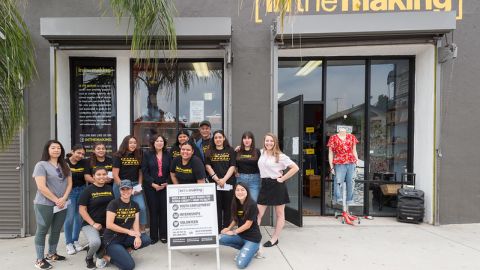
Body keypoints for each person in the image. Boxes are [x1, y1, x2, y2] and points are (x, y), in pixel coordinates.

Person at [32, 140, 72, 269]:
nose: (56, 150)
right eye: (53, 148)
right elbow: (41, 187)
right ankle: (39, 259)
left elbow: (70, 183)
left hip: (62, 203)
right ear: (47, 150)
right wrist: (56, 200)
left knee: (56, 230)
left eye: (59, 148)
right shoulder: (41, 165)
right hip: (44, 204)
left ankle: (52, 253)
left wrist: (64, 198)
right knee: (42, 230)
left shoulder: (64, 164)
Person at [257, 133, 299, 247]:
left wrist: (283, 178)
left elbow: (295, 168)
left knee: (280, 214)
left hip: (277, 185)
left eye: (271, 141)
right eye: (267, 141)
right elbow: (248, 151)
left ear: (275, 142)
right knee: (257, 213)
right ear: (264, 142)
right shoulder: (261, 152)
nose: (269, 143)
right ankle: (254, 238)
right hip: (265, 184)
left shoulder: (280, 156)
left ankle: (275, 238)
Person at [103, 180, 151, 270]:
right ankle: (106, 257)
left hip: (125, 237)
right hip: (112, 239)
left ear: (132, 189)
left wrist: (137, 236)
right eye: (123, 189)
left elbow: (136, 223)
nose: (125, 191)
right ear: (119, 190)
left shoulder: (135, 205)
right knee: (129, 266)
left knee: (146, 239)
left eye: (128, 189)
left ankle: (126, 250)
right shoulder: (113, 203)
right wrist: (129, 231)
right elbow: (109, 225)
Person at [79, 167, 114, 269]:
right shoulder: (88, 190)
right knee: (96, 242)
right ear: (93, 176)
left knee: (116, 239)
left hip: (107, 223)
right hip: (90, 224)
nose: (102, 176)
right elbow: (82, 210)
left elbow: (113, 207)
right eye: (98, 174)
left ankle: (98, 252)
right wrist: (93, 224)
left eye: (104, 174)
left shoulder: (109, 188)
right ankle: (89, 258)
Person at [220, 182, 262, 269]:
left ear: (247, 191)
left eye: (242, 190)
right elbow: (235, 219)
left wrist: (234, 232)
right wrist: (228, 228)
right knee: (220, 238)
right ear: (235, 192)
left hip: (252, 238)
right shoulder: (235, 203)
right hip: (241, 236)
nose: (240, 192)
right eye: (237, 190)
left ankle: (256, 248)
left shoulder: (252, 204)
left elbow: (247, 225)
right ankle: (247, 249)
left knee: (240, 264)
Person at [112, 135, 148, 232]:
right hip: (121, 184)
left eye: (135, 143)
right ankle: (124, 230)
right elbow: (115, 174)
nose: (133, 145)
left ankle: (142, 229)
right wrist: (123, 188)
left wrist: (139, 185)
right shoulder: (118, 155)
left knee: (141, 207)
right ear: (125, 143)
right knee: (122, 209)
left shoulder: (139, 154)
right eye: (130, 143)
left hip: (135, 184)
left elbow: (140, 172)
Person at [141, 134, 170, 244]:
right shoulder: (147, 154)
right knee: (153, 211)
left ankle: (163, 235)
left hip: (165, 186)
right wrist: (153, 184)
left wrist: (167, 182)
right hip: (151, 187)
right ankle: (153, 236)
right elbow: (144, 171)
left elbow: (171, 170)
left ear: (164, 143)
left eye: (161, 141)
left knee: (164, 211)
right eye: (157, 141)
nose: (159, 143)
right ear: (153, 143)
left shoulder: (168, 154)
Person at [205, 130, 236, 231]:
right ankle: (217, 229)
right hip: (214, 183)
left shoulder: (230, 150)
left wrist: (224, 180)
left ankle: (226, 229)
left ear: (223, 138)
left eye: (220, 137)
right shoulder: (209, 151)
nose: (218, 139)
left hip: (228, 183)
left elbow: (232, 166)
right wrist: (217, 179)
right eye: (216, 138)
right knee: (216, 207)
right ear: (213, 140)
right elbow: (208, 166)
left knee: (228, 207)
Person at [327, 127, 359, 224]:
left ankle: (349, 201)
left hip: (351, 162)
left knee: (351, 182)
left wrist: (356, 163)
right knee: (338, 182)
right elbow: (330, 153)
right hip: (339, 163)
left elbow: (354, 151)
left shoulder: (352, 137)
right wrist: (331, 166)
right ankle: (339, 200)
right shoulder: (333, 138)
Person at [64, 144, 91, 255]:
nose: (80, 155)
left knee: (79, 217)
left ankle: (75, 240)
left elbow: (86, 177)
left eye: (83, 154)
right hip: (69, 192)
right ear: (72, 151)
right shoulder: (64, 162)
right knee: (69, 217)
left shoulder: (84, 162)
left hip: (82, 190)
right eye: (78, 153)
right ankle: (68, 243)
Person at [235, 131, 261, 202]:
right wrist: (235, 172)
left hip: (254, 180)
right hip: (241, 179)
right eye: (245, 138)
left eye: (249, 138)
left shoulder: (257, 151)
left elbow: (263, 164)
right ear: (242, 140)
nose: (247, 140)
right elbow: (233, 164)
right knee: (241, 202)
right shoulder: (238, 151)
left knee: (253, 202)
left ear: (252, 140)